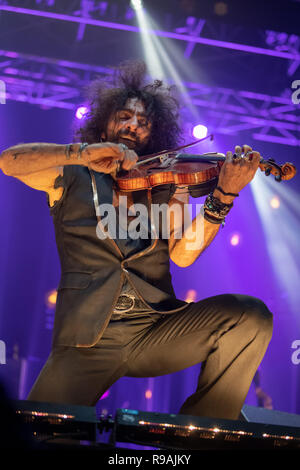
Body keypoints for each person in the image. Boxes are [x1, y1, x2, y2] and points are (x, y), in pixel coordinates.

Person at [0, 61, 273, 420]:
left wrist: (222, 198)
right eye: (125, 117)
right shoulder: (70, 174)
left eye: (143, 123)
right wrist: (80, 153)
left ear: (153, 134)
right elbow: (9, 161)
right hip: (86, 339)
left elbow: (184, 256)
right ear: (105, 121)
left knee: (250, 316)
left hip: (155, 328)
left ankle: (202, 436)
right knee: (39, 431)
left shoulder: (167, 183)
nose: (133, 126)